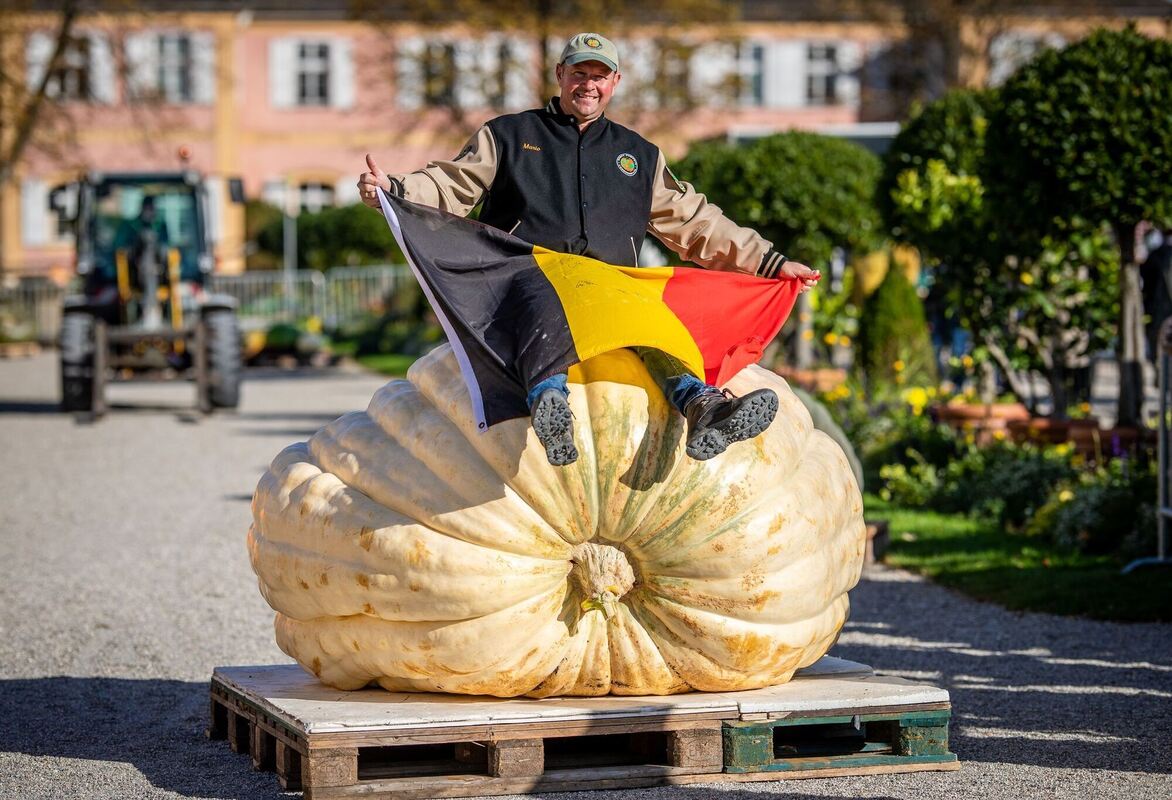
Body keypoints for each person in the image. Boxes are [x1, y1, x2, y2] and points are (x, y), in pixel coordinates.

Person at [358, 32, 820, 466]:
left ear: (615, 82)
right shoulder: (507, 135)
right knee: (548, 300)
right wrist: (395, 189)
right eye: (579, 73)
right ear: (560, 74)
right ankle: (550, 403)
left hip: (612, 287)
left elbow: (695, 221)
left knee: (655, 326)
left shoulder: (638, 154)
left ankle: (701, 406)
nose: (589, 85)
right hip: (528, 273)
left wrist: (770, 261)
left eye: (600, 76)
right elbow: (451, 183)